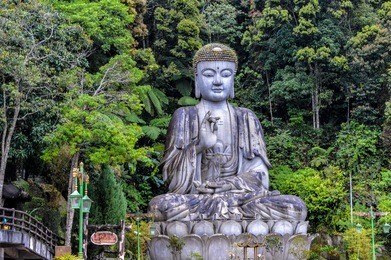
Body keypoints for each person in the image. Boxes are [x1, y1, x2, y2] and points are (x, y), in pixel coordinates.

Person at [149, 43, 307, 222]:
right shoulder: (184, 116)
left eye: (225, 74)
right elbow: (171, 179)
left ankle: (220, 220)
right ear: (197, 79)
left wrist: (227, 185)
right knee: (161, 207)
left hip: (238, 199)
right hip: (197, 199)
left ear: (233, 79)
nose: (217, 81)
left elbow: (261, 177)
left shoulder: (246, 117)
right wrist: (200, 146)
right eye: (209, 74)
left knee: (295, 207)